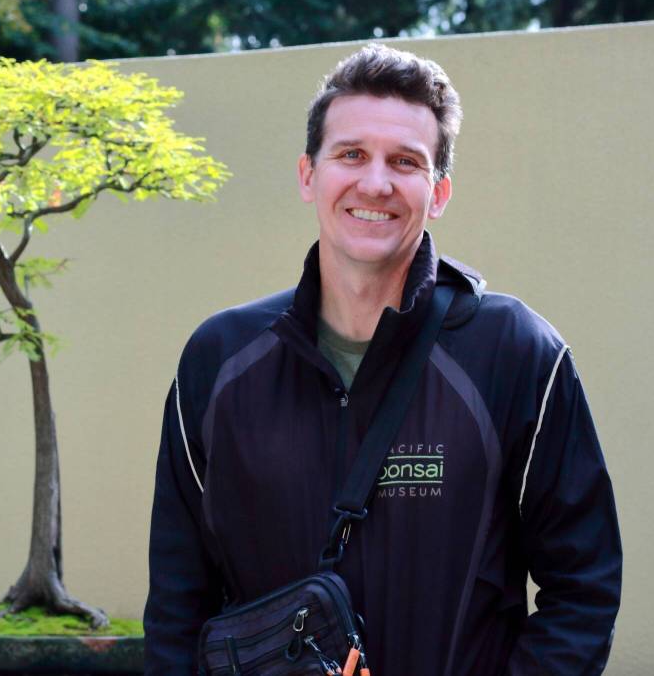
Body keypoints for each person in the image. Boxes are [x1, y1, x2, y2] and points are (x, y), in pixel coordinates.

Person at [143, 44, 621, 675]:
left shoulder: (516, 353)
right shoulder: (220, 361)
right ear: (308, 174)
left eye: (405, 161)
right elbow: (178, 607)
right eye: (350, 155)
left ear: (439, 190)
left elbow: (582, 590)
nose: (375, 183)